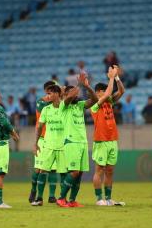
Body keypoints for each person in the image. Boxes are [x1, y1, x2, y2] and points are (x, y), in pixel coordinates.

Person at [56, 72, 98, 207]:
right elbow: (71, 96)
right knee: (74, 172)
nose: (76, 94)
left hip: (82, 142)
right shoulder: (63, 105)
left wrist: (87, 86)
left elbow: (95, 100)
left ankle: (72, 200)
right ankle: (61, 198)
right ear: (66, 95)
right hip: (71, 142)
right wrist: (79, 84)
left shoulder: (79, 105)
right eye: (72, 92)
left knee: (79, 174)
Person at [91, 66, 125, 206]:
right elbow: (109, 93)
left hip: (112, 140)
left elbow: (121, 91)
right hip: (101, 140)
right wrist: (111, 77)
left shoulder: (109, 102)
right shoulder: (95, 105)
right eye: (104, 91)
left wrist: (116, 77)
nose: (106, 93)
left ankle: (109, 198)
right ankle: (99, 199)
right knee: (99, 170)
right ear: (98, 92)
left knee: (110, 170)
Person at [31, 85, 66, 206]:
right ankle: (39, 198)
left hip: (63, 146)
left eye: (50, 94)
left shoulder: (66, 107)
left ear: (57, 94)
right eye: (47, 94)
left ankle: (62, 198)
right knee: (43, 171)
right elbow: (39, 127)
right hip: (48, 145)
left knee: (63, 174)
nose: (48, 96)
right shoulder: (46, 109)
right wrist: (35, 144)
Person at [29, 81, 58, 203]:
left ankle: (51, 195)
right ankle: (34, 190)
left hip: (53, 139)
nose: (50, 94)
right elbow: (44, 108)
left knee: (53, 168)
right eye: (49, 92)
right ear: (46, 90)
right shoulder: (41, 102)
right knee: (39, 168)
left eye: (53, 92)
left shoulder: (56, 103)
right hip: (42, 138)